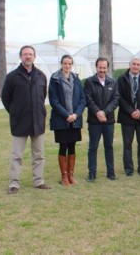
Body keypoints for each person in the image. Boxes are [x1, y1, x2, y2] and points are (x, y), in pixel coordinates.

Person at [2, 45, 50, 194]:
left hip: (37, 122)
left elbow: (42, 96)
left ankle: (38, 181)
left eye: (30, 54)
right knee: (17, 156)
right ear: (20, 57)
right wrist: (15, 112)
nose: (28, 57)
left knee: (39, 155)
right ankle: (14, 183)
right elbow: (5, 98)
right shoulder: (12, 77)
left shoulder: (41, 76)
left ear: (34, 57)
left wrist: (39, 113)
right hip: (20, 122)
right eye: (25, 54)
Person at [48, 54, 87, 186]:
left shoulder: (76, 78)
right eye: (65, 63)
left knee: (72, 146)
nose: (67, 66)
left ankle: (71, 175)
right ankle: (64, 176)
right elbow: (54, 101)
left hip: (75, 120)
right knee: (63, 146)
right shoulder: (54, 79)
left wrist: (76, 114)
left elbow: (82, 99)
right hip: (61, 120)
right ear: (61, 64)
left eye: (70, 64)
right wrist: (66, 115)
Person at [117, 57, 140, 177]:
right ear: (129, 64)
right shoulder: (122, 79)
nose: (136, 66)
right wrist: (131, 111)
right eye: (134, 64)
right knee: (127, 144)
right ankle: (128, 169)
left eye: (138, 64)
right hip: (127, 117)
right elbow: (119, 97)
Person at [84, 57, 119, 182]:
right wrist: (98, 112)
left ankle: (111, 173)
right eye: (100, 67)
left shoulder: (113, 82)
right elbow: (88, 99)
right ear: (96, 67)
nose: (102, 70)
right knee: (93, 147)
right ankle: (92, 173)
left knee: (108, 146)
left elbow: (115, 100)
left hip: (108, 121)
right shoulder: (89, 82)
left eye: (104, 68)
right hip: (94, 121)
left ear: (107, 68)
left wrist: (104, 112)